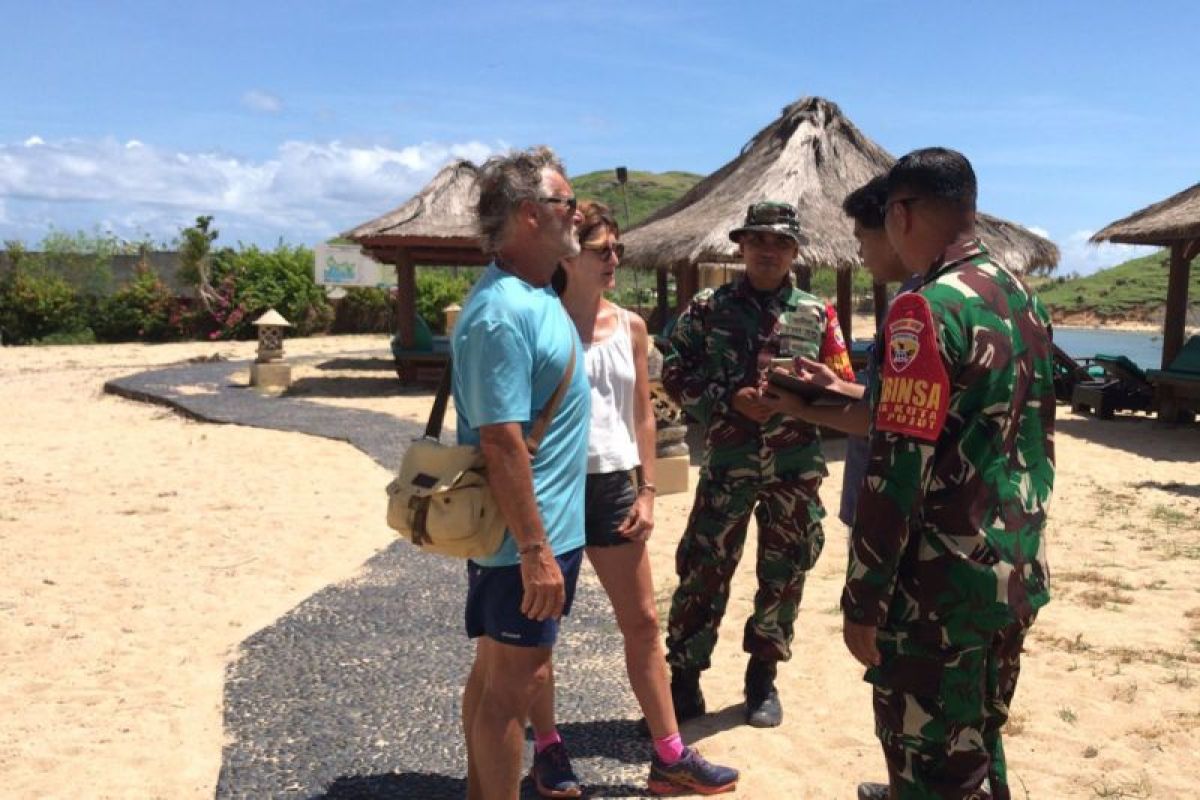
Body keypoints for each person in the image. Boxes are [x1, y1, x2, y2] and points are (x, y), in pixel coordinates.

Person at [841, 148, 1055, 800]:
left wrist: (864, 599)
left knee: (931, 769)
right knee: (977, 746)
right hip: (1012, 572)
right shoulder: (1022, 299)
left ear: (900, 213)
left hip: (937, 594)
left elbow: (896, 474)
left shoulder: (926, 308)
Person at [524, 201, 738, 797]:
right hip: (554, 484)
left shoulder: (631, 326)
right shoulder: (540, 320)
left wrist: (647, 490)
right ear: (571, 256)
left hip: (615, 482)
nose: (614, 258)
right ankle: (547, 748)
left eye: (618, 249)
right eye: (603, 250)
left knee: (643, 622)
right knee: (542, 630)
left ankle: (670, 754)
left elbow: (643, 412)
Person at [661, 201, 856, 728]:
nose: (769, 251)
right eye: (758, 241)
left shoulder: (819, 315)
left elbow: (841, 387)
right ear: (741, 246)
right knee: (704, 570)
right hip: (728, 463)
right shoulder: (708, 306)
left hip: (794, 468)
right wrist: (726, 399)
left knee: (785, 574)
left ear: (795, 251)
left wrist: (799, 400)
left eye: (780, 243)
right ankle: (684, 679)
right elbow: (673, 369)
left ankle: (762, 678)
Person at [454, 146, 591, 800]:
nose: (579, 216)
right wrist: (536, 550)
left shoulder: (531, 296)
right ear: (532, 215)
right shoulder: (502, 310)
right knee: (514, 689)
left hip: (539, 535)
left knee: (494, 678)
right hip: (523, 543)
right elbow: (502, 442)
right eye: (569, 204)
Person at [760, 175, 921, 528]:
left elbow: (883, 417)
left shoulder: (915, 308)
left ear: (895, 228)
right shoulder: (923, 296)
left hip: (887, 504)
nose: (860, 252)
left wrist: (799, 407)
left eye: (862, 238)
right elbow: (897, 399)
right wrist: (837, 385)